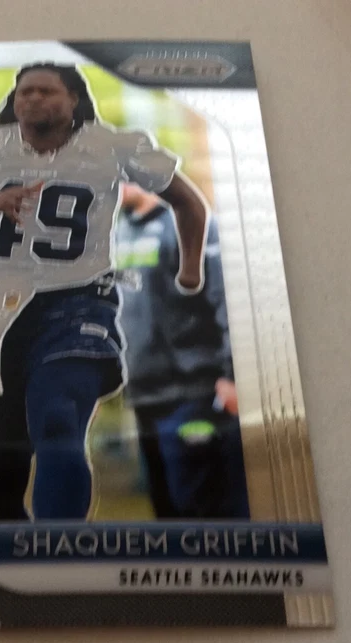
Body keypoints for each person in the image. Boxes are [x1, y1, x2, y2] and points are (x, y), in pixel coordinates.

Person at [0, 62, 209, 522]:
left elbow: (188, 201)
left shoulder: (113, 146)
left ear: (74, 99)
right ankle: (9, 554)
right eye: (26, 92)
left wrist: (190, 271)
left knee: (59, 419)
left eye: (46, 91)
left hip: (75, 302)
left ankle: (60, 543)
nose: (34, 99)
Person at [114, 182, 250, 519]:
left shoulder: (190, 222)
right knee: (167, 517)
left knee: (204, 512)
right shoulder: (116, 233)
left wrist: (234, 376)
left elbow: (227, 300)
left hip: (193, 396)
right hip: (144, 399)